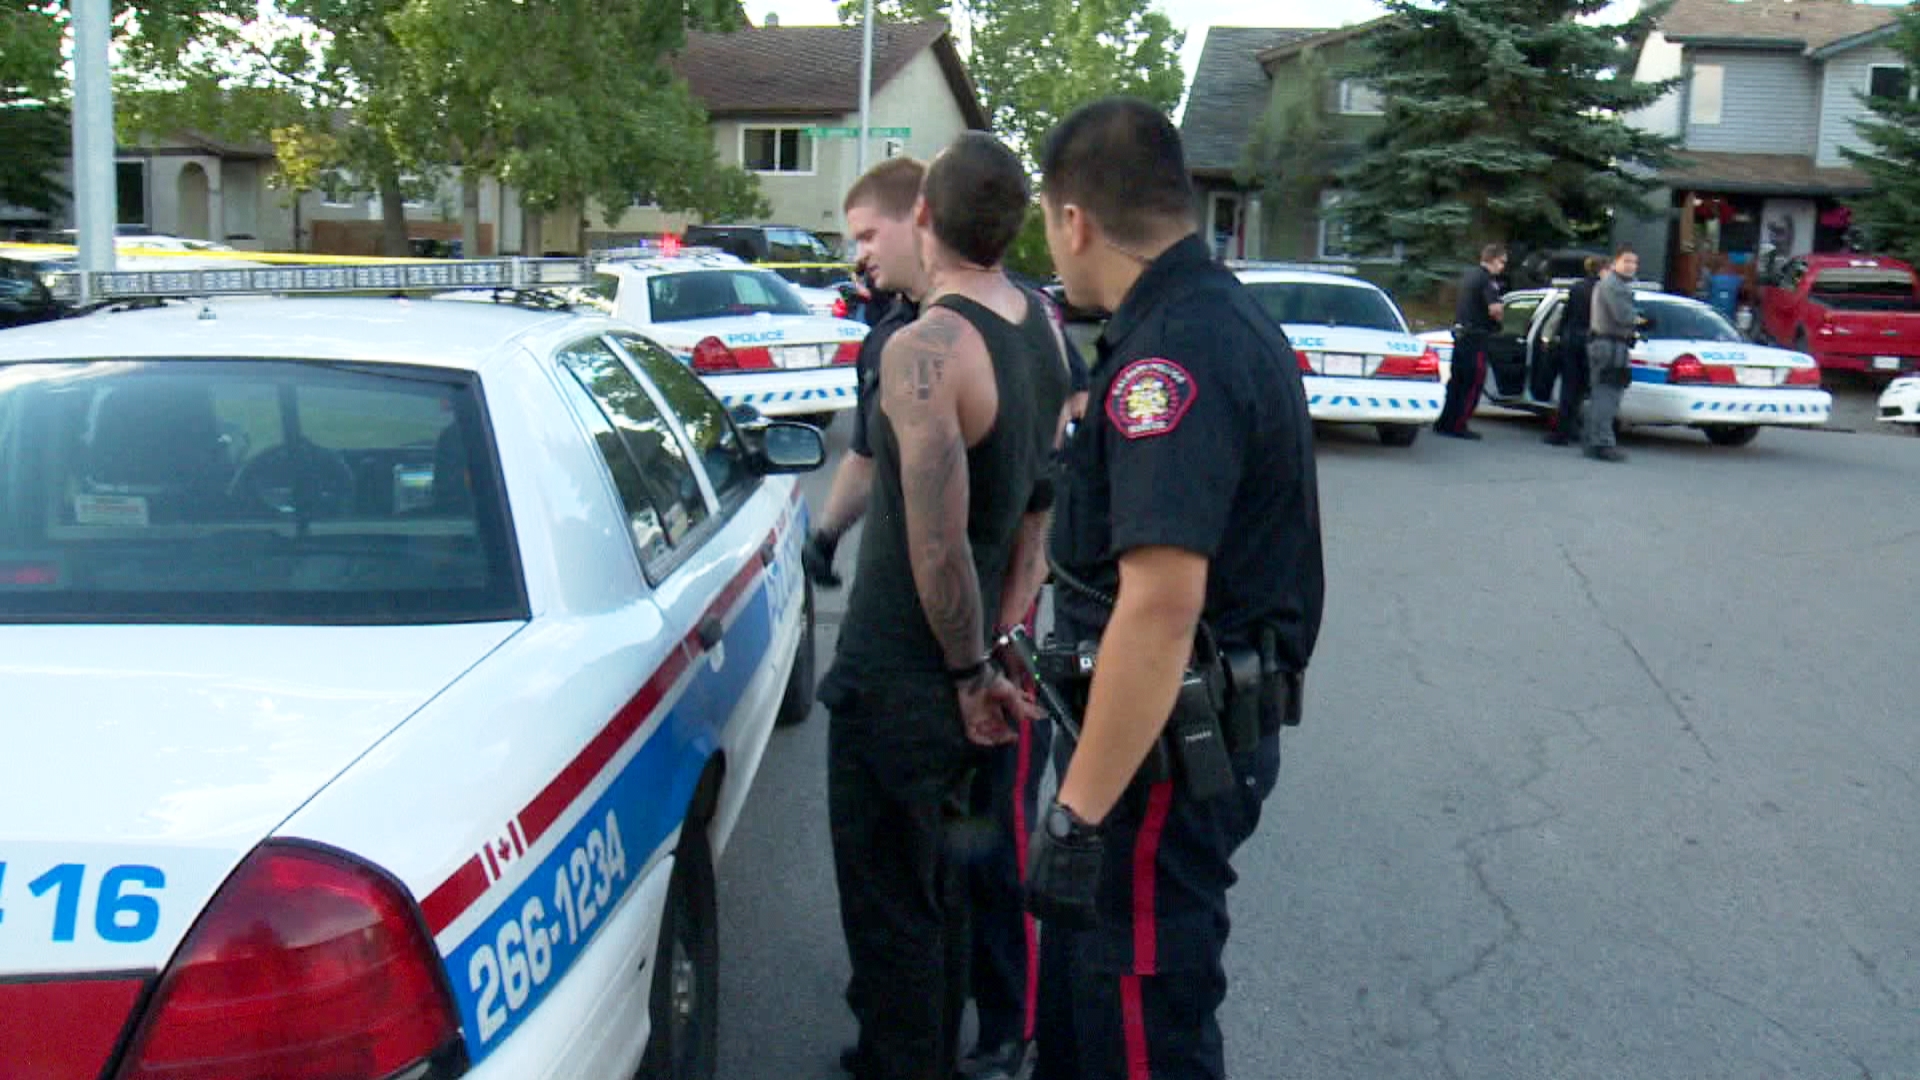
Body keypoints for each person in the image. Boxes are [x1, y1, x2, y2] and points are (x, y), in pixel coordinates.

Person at [1023, 97, 1325, 1080]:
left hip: (1157, 758)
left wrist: (1077, 812)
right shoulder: (1202, 318)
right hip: (1154, 739)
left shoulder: (1170, 356)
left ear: (1076, 221)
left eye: (1048, 225)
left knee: (1139, 1025)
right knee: (1092, 1012)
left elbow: (1158, 607)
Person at [816, 131, 1074, 1080]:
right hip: (973, 671)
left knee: (893, 911)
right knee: (951, 898)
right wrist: (1002, 642)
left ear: (923, 215)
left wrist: (969, 673)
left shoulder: (926, 349)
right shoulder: (1042, 330)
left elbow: (937, 545)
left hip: (903, 683)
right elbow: (1039, 514)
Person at [803, 158, 931, 589]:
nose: (859, 257)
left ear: (919, 218)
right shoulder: (884, 336)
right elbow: (866, 456)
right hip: (894, 581)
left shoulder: (1006, 317)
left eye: (868, 236)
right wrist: (825, 538)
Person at [1435, 243, 1507, 440]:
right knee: (1472, 383)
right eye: (1502, 262)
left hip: (1460, 334)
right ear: (1492, 260)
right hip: (1476, 337)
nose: (1503, 267)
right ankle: (1459, 424)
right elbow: (1495, 309)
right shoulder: (1487, 280)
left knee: (1455, 382)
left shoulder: (1469, 276)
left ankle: (1444, 422)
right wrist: (1500, 316)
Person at [1585, 245, 1640, 464]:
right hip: (1609, 345)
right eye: (1627, 261)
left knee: (1604, 395)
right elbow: (1624, 316)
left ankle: (1595, 440)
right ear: (1615, 262)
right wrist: (1642, 321)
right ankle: (1602, 443)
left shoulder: (1615, 284)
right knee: (1607, 396)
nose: (1631, 266)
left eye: (1634, 262)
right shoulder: (1614, 285)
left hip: (1611, 344)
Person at [1546, 256, 1602, 447]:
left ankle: (1562, 432)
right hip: (1593, 341)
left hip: (1572, 341)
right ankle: (1578, 429)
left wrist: (1558, 336)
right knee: (1585, 389)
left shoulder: (1577, 288)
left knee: (1568, 388)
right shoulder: (1604, 290)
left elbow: (1566, 315)